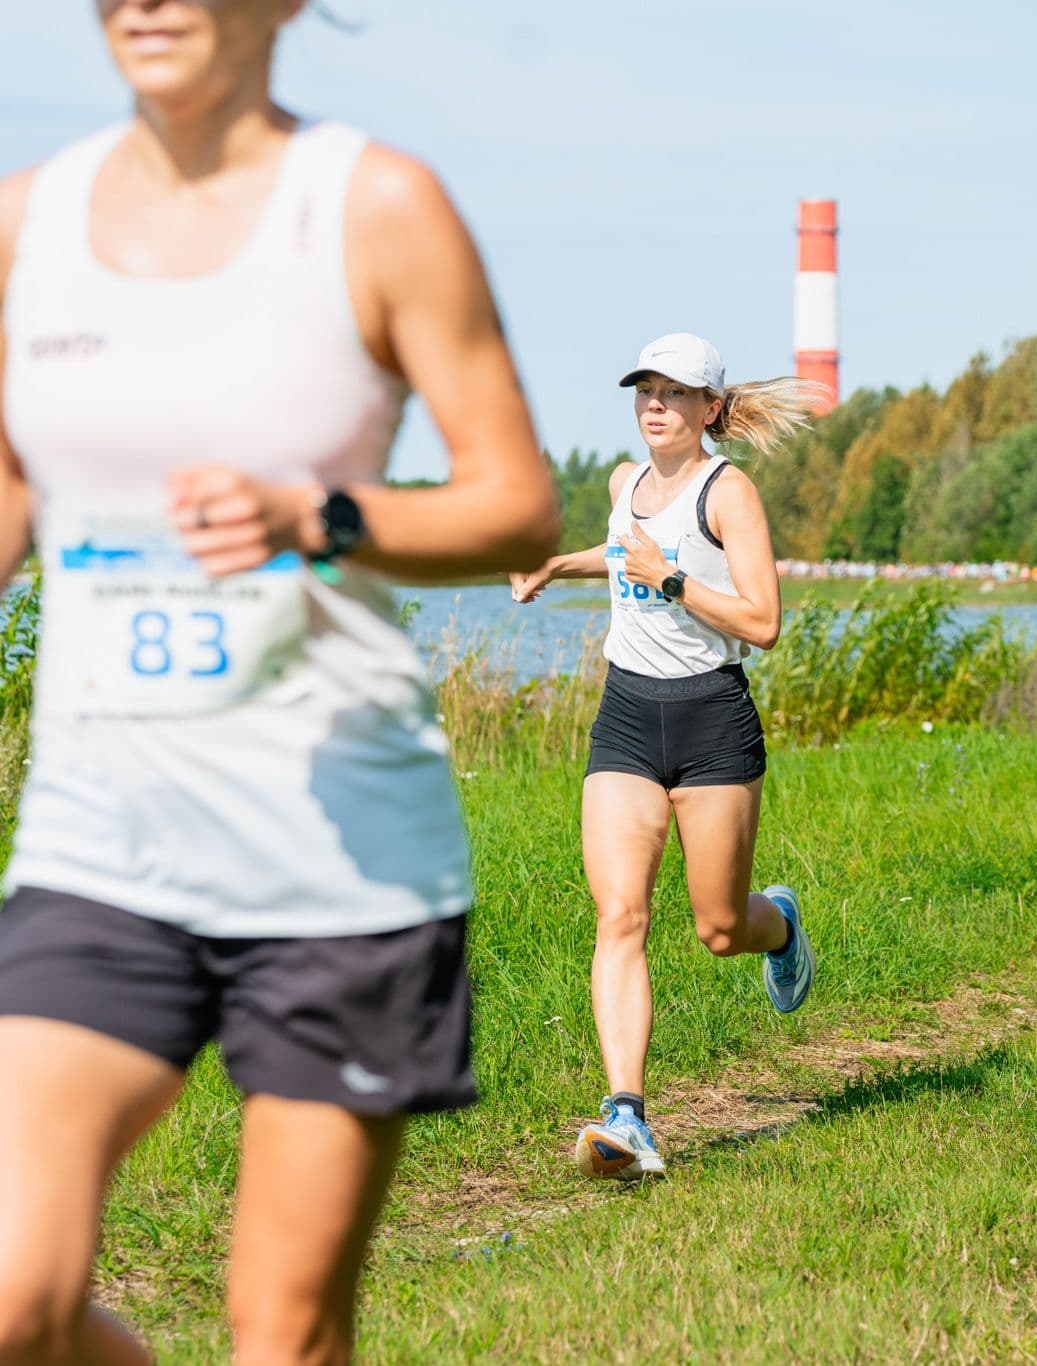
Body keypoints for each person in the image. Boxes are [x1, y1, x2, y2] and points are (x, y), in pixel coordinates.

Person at [0, 3, 561, 1360]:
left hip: (339, 867)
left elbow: (518, 505)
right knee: (15, 1293)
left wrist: (320, 515)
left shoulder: (375, 209)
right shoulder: (27, 222)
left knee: (283, 1329)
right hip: (100, 842)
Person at [510, 333, 819, 1181]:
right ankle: (628, 1114)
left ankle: (780, 924)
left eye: (676, 392)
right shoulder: (623, 484)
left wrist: (672, 577)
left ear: (709, 409)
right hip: (627, 718)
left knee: (720, 929)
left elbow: (762, 621)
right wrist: (556, 564)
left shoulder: (730, 493)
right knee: (620, 916)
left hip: (713, 723)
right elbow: (623, 559)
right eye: (646, 388)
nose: (656, 402)